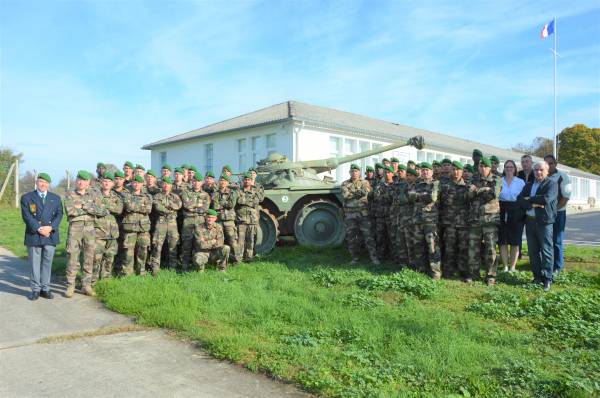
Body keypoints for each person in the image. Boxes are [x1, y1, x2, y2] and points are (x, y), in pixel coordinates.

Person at [20, 173, 63, 300]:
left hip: (50, 234)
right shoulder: (27, 197)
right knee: (34, 263)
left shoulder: (55, 198)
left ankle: (45, 288)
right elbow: (26, 216)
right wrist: (39, 228)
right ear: (36, 182)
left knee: (47, 262)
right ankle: (35, 289)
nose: (43, 184)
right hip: (34, 233)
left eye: (46, 182)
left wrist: (51, 227)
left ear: (49, 184)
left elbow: (59, 214)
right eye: (41, 181)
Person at [517, 161, 558, 291]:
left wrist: (529, 198)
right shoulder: (529, 185)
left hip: (544, 222)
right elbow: (519, 199)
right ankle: (537, 277)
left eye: (541, 170)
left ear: (547, 171)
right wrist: (531, 204)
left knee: (546, 250)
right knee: (533, 251)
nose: (538, 172)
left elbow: (546, 199)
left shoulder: (552, 184)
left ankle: (547, 279)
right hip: (530, 221)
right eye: (535, 170)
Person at [63, 170, 103, 297]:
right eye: (79, 179)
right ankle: (70, 285)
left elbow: (101, 210)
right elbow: (70, 211)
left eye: (84, 180)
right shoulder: (69, 193)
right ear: (76, 181)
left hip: (90, 229)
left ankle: (86, 285)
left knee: (89, 257)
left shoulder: (94, 194)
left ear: (88, 183)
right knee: (72, 256)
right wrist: (89, 209)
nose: (80, 182)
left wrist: (83, 207)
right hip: (75, 228)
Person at [466, 157, 501, 285]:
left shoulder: (496, 179)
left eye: (485, 166)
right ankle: (473, 273)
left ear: (489, 168)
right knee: (473, 247)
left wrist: (478, 190)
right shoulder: (473, 179)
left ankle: (491, 275)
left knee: (490, 248)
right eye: (480, 166)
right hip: (475, 218)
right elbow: (468, 196)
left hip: (490, 219)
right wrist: (483, 190)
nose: (482, 169)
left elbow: (492, 196)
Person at [340, 164, 379, 265]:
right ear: (349, 172)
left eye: (356, 171)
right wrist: (358, 193)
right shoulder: (344, 184)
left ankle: (374, 258)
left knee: (368, 236)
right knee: (351, 237)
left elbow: (366, 192)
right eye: (352, 171)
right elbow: (345, 195)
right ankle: (354, 258)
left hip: (363, 214)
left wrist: (354, 193)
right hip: (350, 215)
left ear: (359, 172)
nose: (354, 173)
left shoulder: (365, 182)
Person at [408, 162, 441, 279]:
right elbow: (410, 196)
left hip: (430, 221)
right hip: (417, 219)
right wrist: (422, 194)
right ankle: (420, 270)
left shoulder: (436, 183)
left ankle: (435, 272)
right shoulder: (417, 184)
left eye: (427, 170)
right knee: (418, 246)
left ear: (431, 172)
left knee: (433, 247)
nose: (425, 172)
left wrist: (418, 195)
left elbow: (432, 197)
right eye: (423, 170)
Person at [439, 161, 469, 279]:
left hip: (463, 222)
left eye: (458, 170)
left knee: (463, 247)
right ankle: (448, 271)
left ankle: (463, 270)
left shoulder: (468, 185)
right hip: (449, 222)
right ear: (450, 171)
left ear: (462, 171)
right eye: (453, 170)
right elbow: (442, 202)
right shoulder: (445, 186)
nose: (456, 172)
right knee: (449, 247)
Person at [92, 172, 123, 284]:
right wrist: (109, 208)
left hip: (112, 233)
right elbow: (93, 208)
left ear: (112, 184)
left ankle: (105, 280)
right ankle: (93, 281)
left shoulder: (116, 197)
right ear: (101, 182)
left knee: (109, 258)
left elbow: (119, 210)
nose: (106, 183)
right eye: (104, 181)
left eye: (109, 181)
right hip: (98, 232)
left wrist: (104, 206)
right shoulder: (94, 195)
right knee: (96, 259)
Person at [544, 154, 571, 277]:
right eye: (547, 163)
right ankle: (547, 264)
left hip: (558, 213)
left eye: (551, 163)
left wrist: (553, 210)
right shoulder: (542, 175)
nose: (549, 165)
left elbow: (565, 198)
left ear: (556, 164)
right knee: (546, 240)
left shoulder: (563, 176)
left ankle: (558, 266)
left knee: (557, 240)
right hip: (544, 214)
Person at [149, 176, 182, 275]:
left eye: (168, 184)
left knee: (173, 245)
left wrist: (169, 206)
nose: (166, 186)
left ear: (171, 185)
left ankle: (173, 267)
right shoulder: (157, 196)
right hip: (161, 223)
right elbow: (158, 207)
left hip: (172, 223)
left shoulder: (175, 196)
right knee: (157, 246)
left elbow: (178, 205)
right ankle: (155, 268)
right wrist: (170, 209)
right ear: (162, 185)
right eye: (164, 184)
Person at [121, 175, 153, 276]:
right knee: (128, 252)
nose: (136, 184)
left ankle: (141, 272)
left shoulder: (147, 196)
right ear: (132, 183)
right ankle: (127, 273)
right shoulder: (126, 195)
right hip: (130, 228)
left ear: (142, 184)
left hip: (143, 227)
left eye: (138, 183)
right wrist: (141, 206)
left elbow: (148, 209)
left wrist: (134, 206)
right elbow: (128, 206)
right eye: (134, 182)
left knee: (143, 250)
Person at [498, 160, 526, 272]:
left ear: (515, 169)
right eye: (507, 167)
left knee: (515, 241)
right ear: (504, 169)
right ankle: (505, 266)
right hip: (502, 210)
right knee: (502, 240)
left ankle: (512, 267)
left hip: (516, 211)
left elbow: (524, 198)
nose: (509, 169)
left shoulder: (520, 182)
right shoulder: (499, 181)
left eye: (511, 167)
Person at [180, 173, 211, 270]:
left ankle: (199, 265)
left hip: (201, 221)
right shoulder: (186, 192)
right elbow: (186, 205)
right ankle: (184, 266)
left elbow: (205, 209)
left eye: (198, 181)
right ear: (192, 182)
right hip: (188, 221)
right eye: (194, 181)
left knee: (200, 243)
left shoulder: (205, 195)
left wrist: (192, 206)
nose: (196, 183)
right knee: (186, 243)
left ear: (201, 182)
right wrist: (198, 205)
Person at [212, 175, 240, 262]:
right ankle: (220, 260)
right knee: (219, 241)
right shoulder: (215, 193)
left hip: (229, 221)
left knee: (232, 241)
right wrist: (226, 203)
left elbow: (231, 205)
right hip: (218, 221)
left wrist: (221, 203)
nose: (222, 182)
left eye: (224, 181)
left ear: (227, 182)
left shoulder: (232, 193)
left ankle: (236, 260)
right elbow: (215, 206)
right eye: (221, 180)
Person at [236, 173, 261, 261]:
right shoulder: (239, 191)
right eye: (245, 180)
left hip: (252, 220)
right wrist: (249, 201)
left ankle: (248, 258)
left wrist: (244, 201)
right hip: (241, 219)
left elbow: (256, 202)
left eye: (248, 180)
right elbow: (238, 201)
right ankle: (238, 258)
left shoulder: (255, 191)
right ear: (243, 181)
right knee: (240, 241)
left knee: (250, 240)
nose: (247, 181)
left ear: (251, 181)